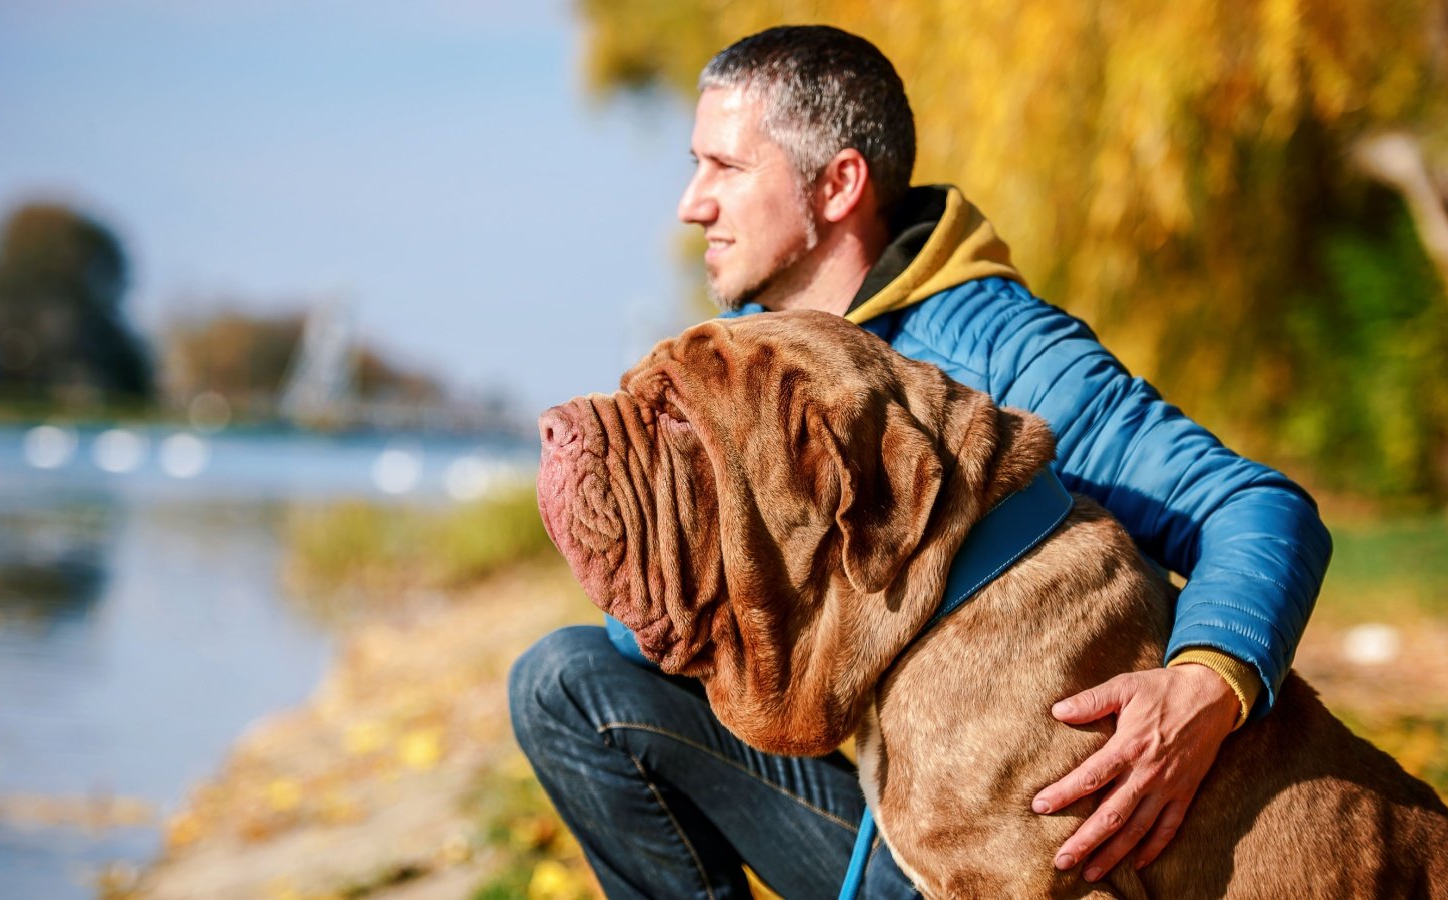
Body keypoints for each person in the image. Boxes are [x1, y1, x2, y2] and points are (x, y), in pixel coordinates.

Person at [511, 24, 1331, 898]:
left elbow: (1253, 506)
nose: (692, 202)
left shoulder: (1004, 354)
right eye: (695, 164)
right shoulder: (758, 358)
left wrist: (1207, 685)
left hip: (999, 819)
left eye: (726, 168)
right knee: (569, 683)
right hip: (876, 787)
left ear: (838, 185)